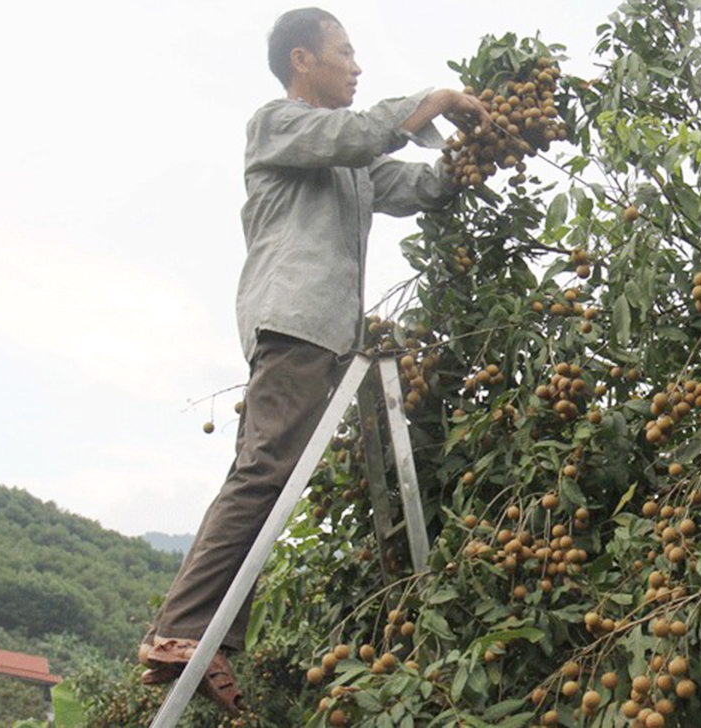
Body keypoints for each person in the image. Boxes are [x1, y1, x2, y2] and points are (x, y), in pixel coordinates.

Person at [136, 7, 488, 716]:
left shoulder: (347, 166)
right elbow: (358, 135)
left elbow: (413, 186)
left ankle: (205, 637)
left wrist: (475, 156)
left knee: (275, 489)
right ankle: (179, 632)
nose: (357, 67)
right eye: (346, 53)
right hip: (295, 326)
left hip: (327, 337)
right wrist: (434, 101)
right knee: (265, 471)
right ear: (304, 60)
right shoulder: (279, 124)